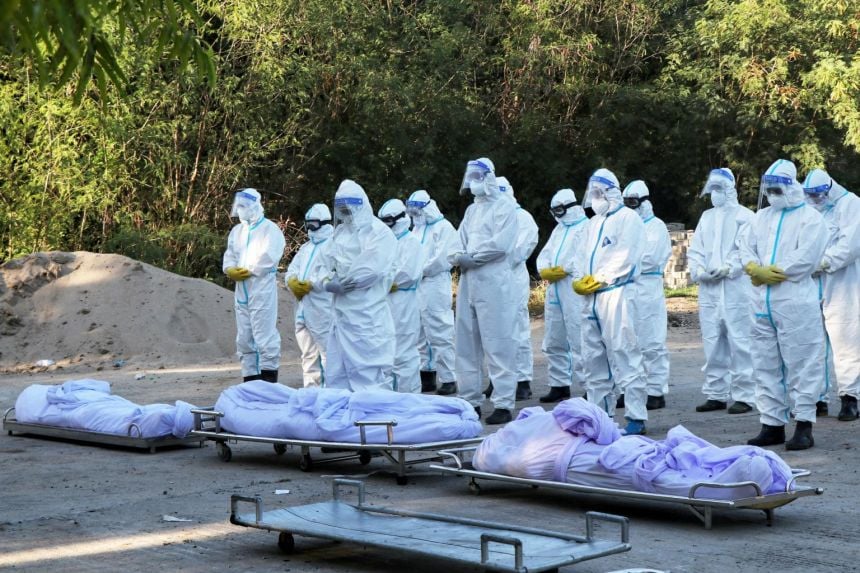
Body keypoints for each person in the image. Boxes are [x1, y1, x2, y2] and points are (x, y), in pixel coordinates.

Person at [739, 159, 828, 450]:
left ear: (792, 187)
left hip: (794, 301)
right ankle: (772, 424)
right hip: (760, 301)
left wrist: (776, 271)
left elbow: (808, 258)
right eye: (770, 189)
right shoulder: (761, 217)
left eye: (778, 189)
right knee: (764, 363)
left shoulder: (810, 218)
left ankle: (804, 424)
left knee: (802, 362)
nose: (773, 194)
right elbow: (744, 246)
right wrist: (752, 267)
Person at [572, 168, 648, 435]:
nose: (594, 198)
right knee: (592, 359)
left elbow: (627, 255)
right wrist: (580, 278)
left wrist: (601, 278)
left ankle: (636, 417)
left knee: (625, 353)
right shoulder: (592, 223)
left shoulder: (628, 219)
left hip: (617, 293)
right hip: (591, 298)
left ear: (611, 193)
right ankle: (599, 417)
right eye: (592, 193)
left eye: (598, 193)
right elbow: (580, 255)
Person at [450, 158, 519, 424]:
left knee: (498, 341)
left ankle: (503, 402)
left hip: (494, 280)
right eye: (472, 177)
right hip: (469, 280)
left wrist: (473, 257)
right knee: (466, 343)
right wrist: (458, 255)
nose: (474, 182)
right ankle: (470, 400)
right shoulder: (471, 211)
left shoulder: (504, 207)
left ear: (489, 177)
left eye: (478, 176)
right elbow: (458, 239)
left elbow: (500, 244)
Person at [687, 168, 757, 414]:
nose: (714, 194)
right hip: (710, 289)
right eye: (712, 189)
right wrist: (698, 271)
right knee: (712, 340)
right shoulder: (707, 217)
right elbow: (695, 249)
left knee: (741, 340)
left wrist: (730, 268)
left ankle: (746, 395)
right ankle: (716, 393)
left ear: (729, 189)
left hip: (736, 288)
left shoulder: (745, 216)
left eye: (719, 189)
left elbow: (747, 249)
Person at [323, 180, 397, 391]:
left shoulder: (379, 232)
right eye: (341, 210)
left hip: (367, 315)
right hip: (341, 316)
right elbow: (323, 264)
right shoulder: (340, 233)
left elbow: (371, 270)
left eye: (348, 209)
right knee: (337, 373)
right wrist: (328, 282)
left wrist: (344, 280)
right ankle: (342, 420)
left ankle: (373, 422)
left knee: (368, 374)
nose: (345, 214)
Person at [802, 169, 860, 421]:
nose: (815, 200)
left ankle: (850, 397)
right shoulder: (809, 208)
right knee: (812, 343)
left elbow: (850, 245)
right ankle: (816, 398)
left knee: (845, 340)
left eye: (818, 195)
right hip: (811, 282)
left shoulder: (851, 205)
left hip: (842, 282)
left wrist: (823, 262)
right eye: (811, 196)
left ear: (829, 188)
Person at [222, 188, 286, 383]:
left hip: (261, 288)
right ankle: (250, 384)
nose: (240, 210)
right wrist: (230, 269)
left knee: (264, 337)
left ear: (255, 206)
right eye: (238, 206)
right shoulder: (237, 231)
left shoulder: (269, 229)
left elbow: (269, 256)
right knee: (244, 338)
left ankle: (268, 384)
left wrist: (249, 269)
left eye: (244, 206)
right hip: (242, 289)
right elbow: (230, 255)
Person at [621, 181, 671, 410]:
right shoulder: (624, 226)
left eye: (633, 202)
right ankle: (631, 388)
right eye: (626, 203)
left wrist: (624, 262)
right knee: (628, 341)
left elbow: (650, 258)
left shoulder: (656, 226)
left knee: (652, 342)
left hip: (648, 287)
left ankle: (655, 390)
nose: (630, 207)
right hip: (627, 287)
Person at [536, 188, 589, 403]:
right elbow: (545, 254)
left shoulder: (585, 227)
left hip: (572, 286)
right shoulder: (559, 230)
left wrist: (564, 269)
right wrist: (545, 269)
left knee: (579, 337)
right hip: (555, 288)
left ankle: (589, 385)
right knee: (554, 337)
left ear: (571, 206)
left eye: (559, 209)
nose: (557, 214)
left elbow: (582, 257)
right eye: (554, 210)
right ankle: (559, 384)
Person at [489, 175, 539, 400]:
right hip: (491, 279)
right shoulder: (490, 217)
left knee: (517, 328)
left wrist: (495, 259)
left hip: (512, 277)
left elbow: (521, 249)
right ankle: (498, 378)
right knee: (493, 331)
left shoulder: (522, 217)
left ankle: (522, 379)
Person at [406, 190, 460, 395]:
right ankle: (427, 375)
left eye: (416, 210)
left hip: (435, 283)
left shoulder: (443, 228)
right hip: (417, 285)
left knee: (440, 330)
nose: (413, 214)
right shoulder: (416, 230)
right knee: (420, 332)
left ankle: (449, 378)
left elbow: (441, 259)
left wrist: (417, 270)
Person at [378, 198, 425, 393]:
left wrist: (384, 280)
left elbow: (407, 273)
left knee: (404, 353)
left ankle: (409, 397)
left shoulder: (411, 242)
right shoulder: (384, 243)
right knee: (386, 352)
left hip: (403, 301)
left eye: (389, 222)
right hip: (384, 301)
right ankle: (390, 397)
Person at [285, 204, 334, 387]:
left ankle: (330, 394)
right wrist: (292, 282)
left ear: (324, 223)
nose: (310, 229)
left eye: (314, 224)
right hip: (303, 307)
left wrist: (312, 283)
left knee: (328, 353)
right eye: (308, 224)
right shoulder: (306, 247)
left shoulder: (333, 245)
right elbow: (292, 270)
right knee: (307, 354)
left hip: (323, 308)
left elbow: (333, 274)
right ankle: (311, 392)